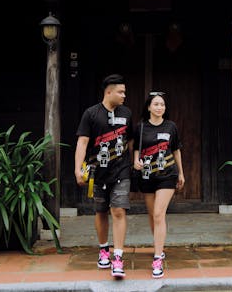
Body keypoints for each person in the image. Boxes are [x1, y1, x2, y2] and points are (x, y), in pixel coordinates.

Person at [74, 74, 133, 279]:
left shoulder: (126, 113)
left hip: (121, 170)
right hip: (97, 172)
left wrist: (133, 160)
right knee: (100, 211)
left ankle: (118, 257)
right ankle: (103, 250)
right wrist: (78, 169)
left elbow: (131, 140)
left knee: (118, 210)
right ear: (108, 92)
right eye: (120, 91)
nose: (124, 95)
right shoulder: (91, 113)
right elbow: (82, 142)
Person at [133, 91, 185, 279]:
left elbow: (176, 149)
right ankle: (159, 246)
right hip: (147, 175)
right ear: (148, 107)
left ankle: (157, 259)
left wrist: (181, 172)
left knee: (158, 213)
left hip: (167, 175)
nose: (159, 107)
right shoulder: (140, 127)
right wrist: (135, 161)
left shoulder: (171, 126)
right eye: (156, 104)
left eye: (162, 104)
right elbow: (137, 148)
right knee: (152, 214)